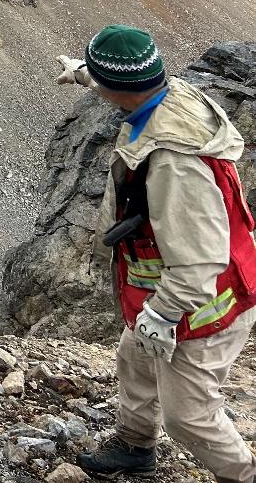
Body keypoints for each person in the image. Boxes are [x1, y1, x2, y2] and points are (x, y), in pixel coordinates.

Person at [55, 25, 256, 481]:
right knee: (135, 355)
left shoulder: (175, 165)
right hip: (168, 291)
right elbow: (130, 83)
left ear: (117, 89)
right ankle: (134, 445)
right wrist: (86, 73)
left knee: (189, 417)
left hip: (204, 307)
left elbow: (202, 259)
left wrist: (162, 314)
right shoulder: (168, 93)